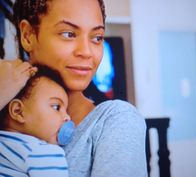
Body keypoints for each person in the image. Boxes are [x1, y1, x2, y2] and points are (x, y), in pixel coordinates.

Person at [0, 0, 148, 176]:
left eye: (97, 38)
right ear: (28, 35)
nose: (86, 52)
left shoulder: (115, 120)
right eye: (69, 34)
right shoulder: (5, 110)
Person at [0, 65, 75, 177]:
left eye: (66, 110)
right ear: (18, 111)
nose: (68, 117)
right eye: (56, 107)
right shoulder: (44, 152)